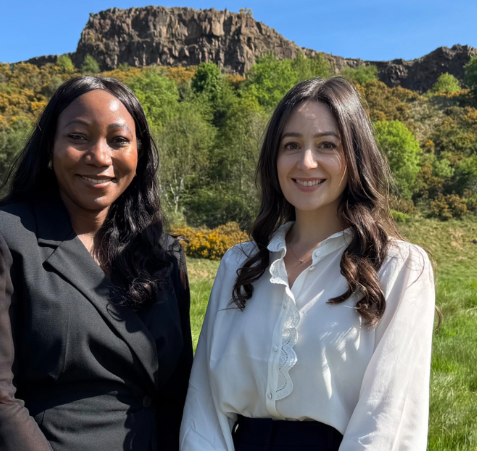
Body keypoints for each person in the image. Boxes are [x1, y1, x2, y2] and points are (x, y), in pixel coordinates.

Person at [180, 77, 436, 451]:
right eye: (292, 145)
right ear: (274, 158)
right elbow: (203, 402)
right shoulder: (239, 265)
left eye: (327, 145)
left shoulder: (398, 268)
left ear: (355, 156)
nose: (306, 162)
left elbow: (389, 419)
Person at [0, 76, 193, 451]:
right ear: (50, 148)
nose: (99, 156)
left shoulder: (164, 254)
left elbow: (178, 391)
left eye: (119, 140)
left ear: (138, 153)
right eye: (78, 137)